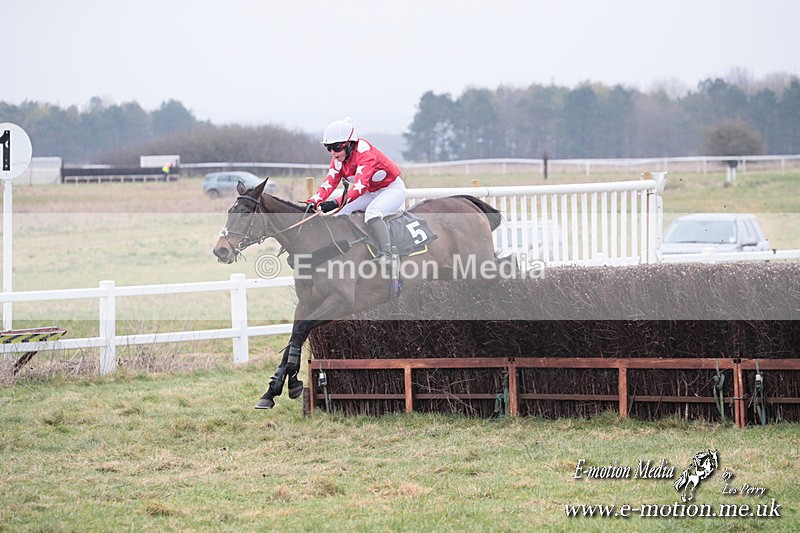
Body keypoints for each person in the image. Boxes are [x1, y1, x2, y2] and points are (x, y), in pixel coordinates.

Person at [306, 117, 405, 264]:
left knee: (372, 213)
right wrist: (313, 201)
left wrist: (334, 202)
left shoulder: (365, 154)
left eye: (336, 147)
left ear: (349, 144)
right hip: (371, 193)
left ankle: (387, 255)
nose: (333, 152)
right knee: (340, 215)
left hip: (391, 190)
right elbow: (329, 183)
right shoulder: (338, 160)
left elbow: (359, 187)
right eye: (329, 148)